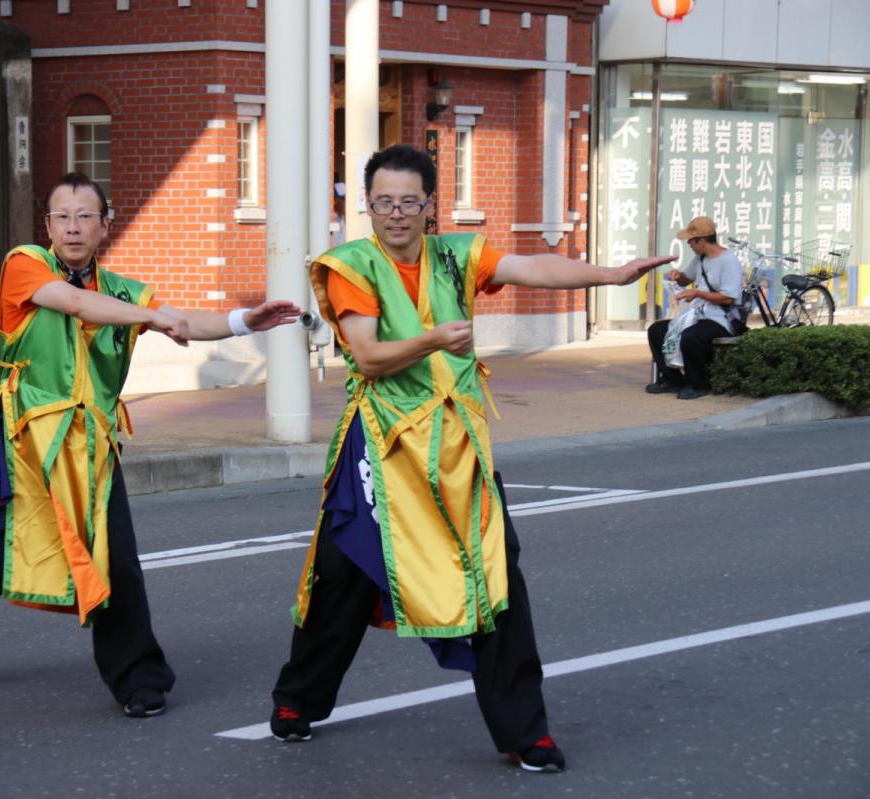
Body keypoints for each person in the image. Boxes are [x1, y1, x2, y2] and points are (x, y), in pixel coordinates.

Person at [267, 144, 672, 772]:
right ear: (365, 206)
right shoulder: (351, 265)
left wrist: (611, 276)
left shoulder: (456, 255)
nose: (395, 213)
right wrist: (432, 339)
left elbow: (532, 266)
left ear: (431, 205)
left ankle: (524, 730)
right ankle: (299, 698)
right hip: (381, 442)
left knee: (494, 574)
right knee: (342, 577)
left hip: (455, 446)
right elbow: (369, 358)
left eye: (409, 201)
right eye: (382, 202)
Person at [0, 172, 300, 718]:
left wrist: (242, 321)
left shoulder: (123, 292)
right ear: (47, 225)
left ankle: (139, 679)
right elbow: (76, 305)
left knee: (116, 560)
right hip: (18, 437)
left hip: (87, 446)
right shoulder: (26, 264)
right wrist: (154, 318)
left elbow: (181, 320)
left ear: (105, 225)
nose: (72, 227)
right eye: (61, 216)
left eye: (85, 216)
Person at [645, 216, 743, 400]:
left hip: (720, 320)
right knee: (656, 331)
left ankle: (698, 384)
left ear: (702, 241)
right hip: (697, 316)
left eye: (690, 241)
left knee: (691, 337)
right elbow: (686, 278)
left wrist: (697, 294)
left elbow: (729, 298)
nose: (689, 244)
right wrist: (677, 276)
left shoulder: (729, 262)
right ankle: (673, 380)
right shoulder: (700, 258)